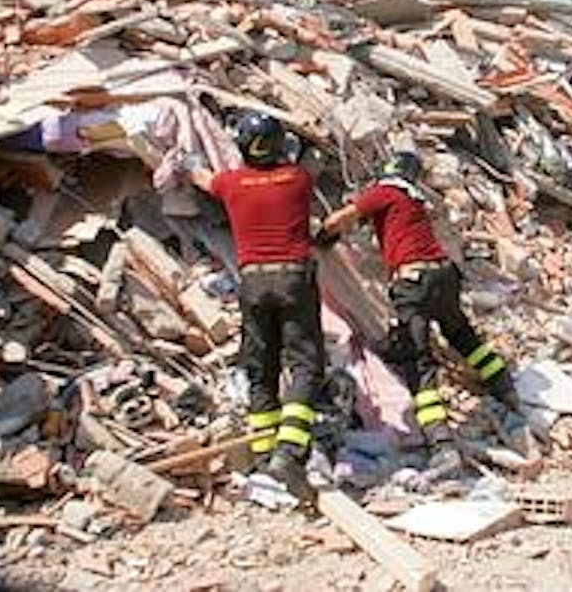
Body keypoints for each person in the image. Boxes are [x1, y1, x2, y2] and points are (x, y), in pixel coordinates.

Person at [320, 150, 522, 468]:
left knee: (419, 361)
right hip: (444, 275)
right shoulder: (414, 199)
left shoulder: (385, 192)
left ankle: (441, 443)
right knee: (462, 336)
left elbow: (339, 221)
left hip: (413, 282)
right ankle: (507, 392)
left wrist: (320, 237)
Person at [188, 112, 322, 496]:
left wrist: (184, 161)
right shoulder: (297, 180)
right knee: (305, 364)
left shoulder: (231, 183)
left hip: (252, 281)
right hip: (293, 278)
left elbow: (200, 178)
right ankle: (289, 451)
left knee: (260, 364)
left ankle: (265, 457)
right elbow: (308, 156)